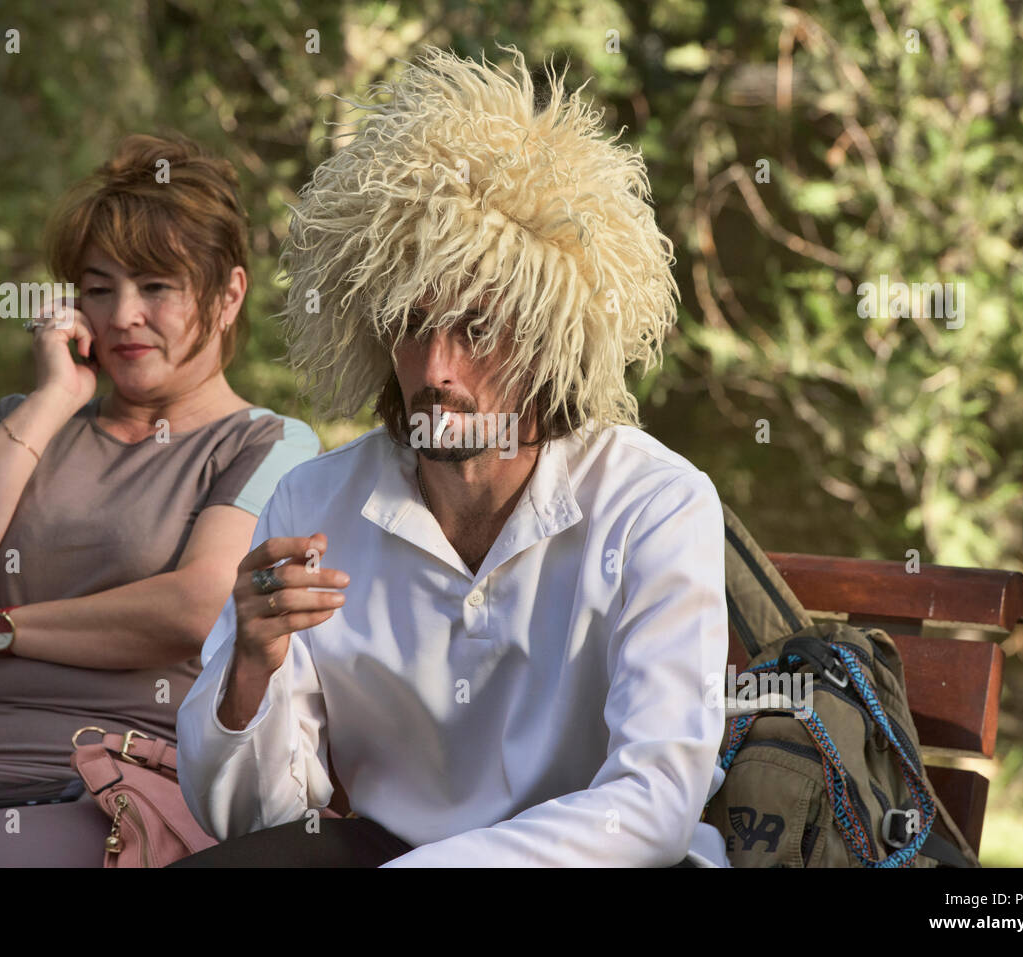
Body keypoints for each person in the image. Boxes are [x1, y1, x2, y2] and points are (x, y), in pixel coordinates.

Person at [175, 47, 730, 867]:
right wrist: (250, 672)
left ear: (549, 334)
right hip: (385, 848)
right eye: (410, 323)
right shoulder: (311, 502)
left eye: (475, 329)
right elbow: (257, 821)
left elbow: (653, 804)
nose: (437, 369)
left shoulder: (656, 503)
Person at [0, 134, 319, 866]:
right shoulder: (23, 421)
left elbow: (197, 605)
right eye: (99, 286)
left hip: (119, 782)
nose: (122, 316)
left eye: (156, 287)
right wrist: (55, 397)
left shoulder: (269, 443)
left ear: (228, 294)